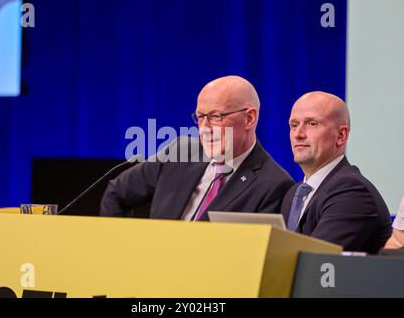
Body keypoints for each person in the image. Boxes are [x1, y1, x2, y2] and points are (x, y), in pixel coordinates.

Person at [100, 76, 294, 220]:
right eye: (200, 117)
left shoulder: (274, 185)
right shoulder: (179, 152)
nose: (204, 129)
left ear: (249, 118)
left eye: (216, 116)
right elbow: (116, 194)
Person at [281, 91, 392, 254]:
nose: (298, 134)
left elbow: (313, 263)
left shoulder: (352, 191)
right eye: (294, 125)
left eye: (312, 123)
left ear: (341, 135)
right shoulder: (293, 194)